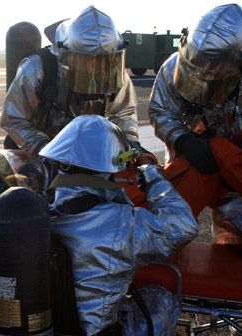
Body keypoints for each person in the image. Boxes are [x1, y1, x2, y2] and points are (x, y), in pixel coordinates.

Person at [149, 4, 242, 247]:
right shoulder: (173, 67)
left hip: (238, 182)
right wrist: (182, 140)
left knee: (241, 250)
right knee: (165, 237)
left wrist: (239, 167)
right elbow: (160, 110)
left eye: (212, 79)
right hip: (189, 163)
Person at [38, 114, 199, 335]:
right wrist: (154, 178)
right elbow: (183, 226)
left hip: (46, 328)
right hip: (96, 332)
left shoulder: (35, 210)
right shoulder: (119, 222)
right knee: (160, 298)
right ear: (111, 170)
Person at [0, 6, 139, 156]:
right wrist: (45, 150)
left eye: (103, 61)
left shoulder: (114, 73)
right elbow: (13, 118)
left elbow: (124, 114)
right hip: (41, 149)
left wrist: (128, 145)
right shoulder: (36, 69)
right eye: (86, 61)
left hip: (87, 150)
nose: (96, 69)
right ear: (64, 55)